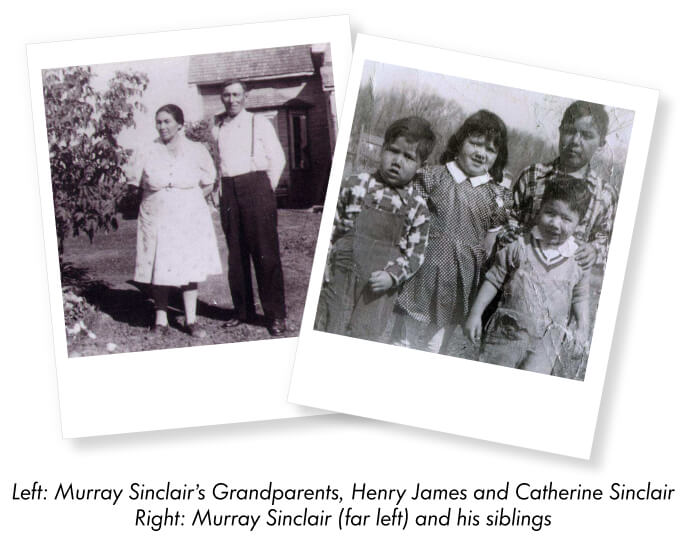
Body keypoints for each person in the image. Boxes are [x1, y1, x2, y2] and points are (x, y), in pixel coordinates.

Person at [394, 110, 511, 353]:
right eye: (475, 144)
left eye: (490, 150)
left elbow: (488, 248)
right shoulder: (433, 177)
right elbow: (408, 222)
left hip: (458, 283)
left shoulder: (497, 197)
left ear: (498, 157)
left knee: (434, 347)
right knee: (402, 342)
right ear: (459, 142)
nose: (481, 153)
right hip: (421, 274)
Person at [315, 117, 436, 341]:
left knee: (363, 337)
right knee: (328, 327)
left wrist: (392, 277)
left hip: (377, 289)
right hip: (340, 278)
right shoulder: (355, 184)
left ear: (421, 167)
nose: (397, 161)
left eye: (408, 157)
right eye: (393, 151)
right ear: (382, 149)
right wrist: (323, 260)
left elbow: (415, 254)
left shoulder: (418, 207)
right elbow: (332, 227)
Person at [463, 179, 591, 375]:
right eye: (550, 213)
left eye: (566, 219)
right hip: (506, 335)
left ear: (579, 223)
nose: (555, 224)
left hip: (547, 346)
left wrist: (582, 329)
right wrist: (475, 314)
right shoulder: (520, 245)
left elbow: (581, 297)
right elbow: (493, 279)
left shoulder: (578, 259)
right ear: (539, 209)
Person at [128, 104, 222, 336]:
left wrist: (189, 200)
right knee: (159, 262)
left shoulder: (196, 149)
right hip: (156, 215)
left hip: (189, 215)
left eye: (167, 121)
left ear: (179, 124)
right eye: (159, 122)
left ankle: (191, 320)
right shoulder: (146, 150)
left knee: (189, 263)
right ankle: (161, 320)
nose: (162, 126)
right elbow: (134, 183)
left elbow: (210, 180)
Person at [212, 80, 288, 336]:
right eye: (226, 95)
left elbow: (277, 159)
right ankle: (242, 310)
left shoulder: (259, 122)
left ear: (245, 97)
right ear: (221, 98)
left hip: (256, 187)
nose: (231, 100)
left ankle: (276, 316)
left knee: (265, 254)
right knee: (236, 255)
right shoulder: (218, 127)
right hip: (229, 191)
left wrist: (264, 190)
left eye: (236, 94)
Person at [509, 100, 617, 269]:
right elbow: (509, 218)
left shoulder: (604, 195)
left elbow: (605, 242)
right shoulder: (533, 175)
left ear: (601, 143)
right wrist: (513, 237)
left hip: (563, 288)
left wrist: (595, 251)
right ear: (560, 131)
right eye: (569, 131)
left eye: (587, 135)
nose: (575, 141)